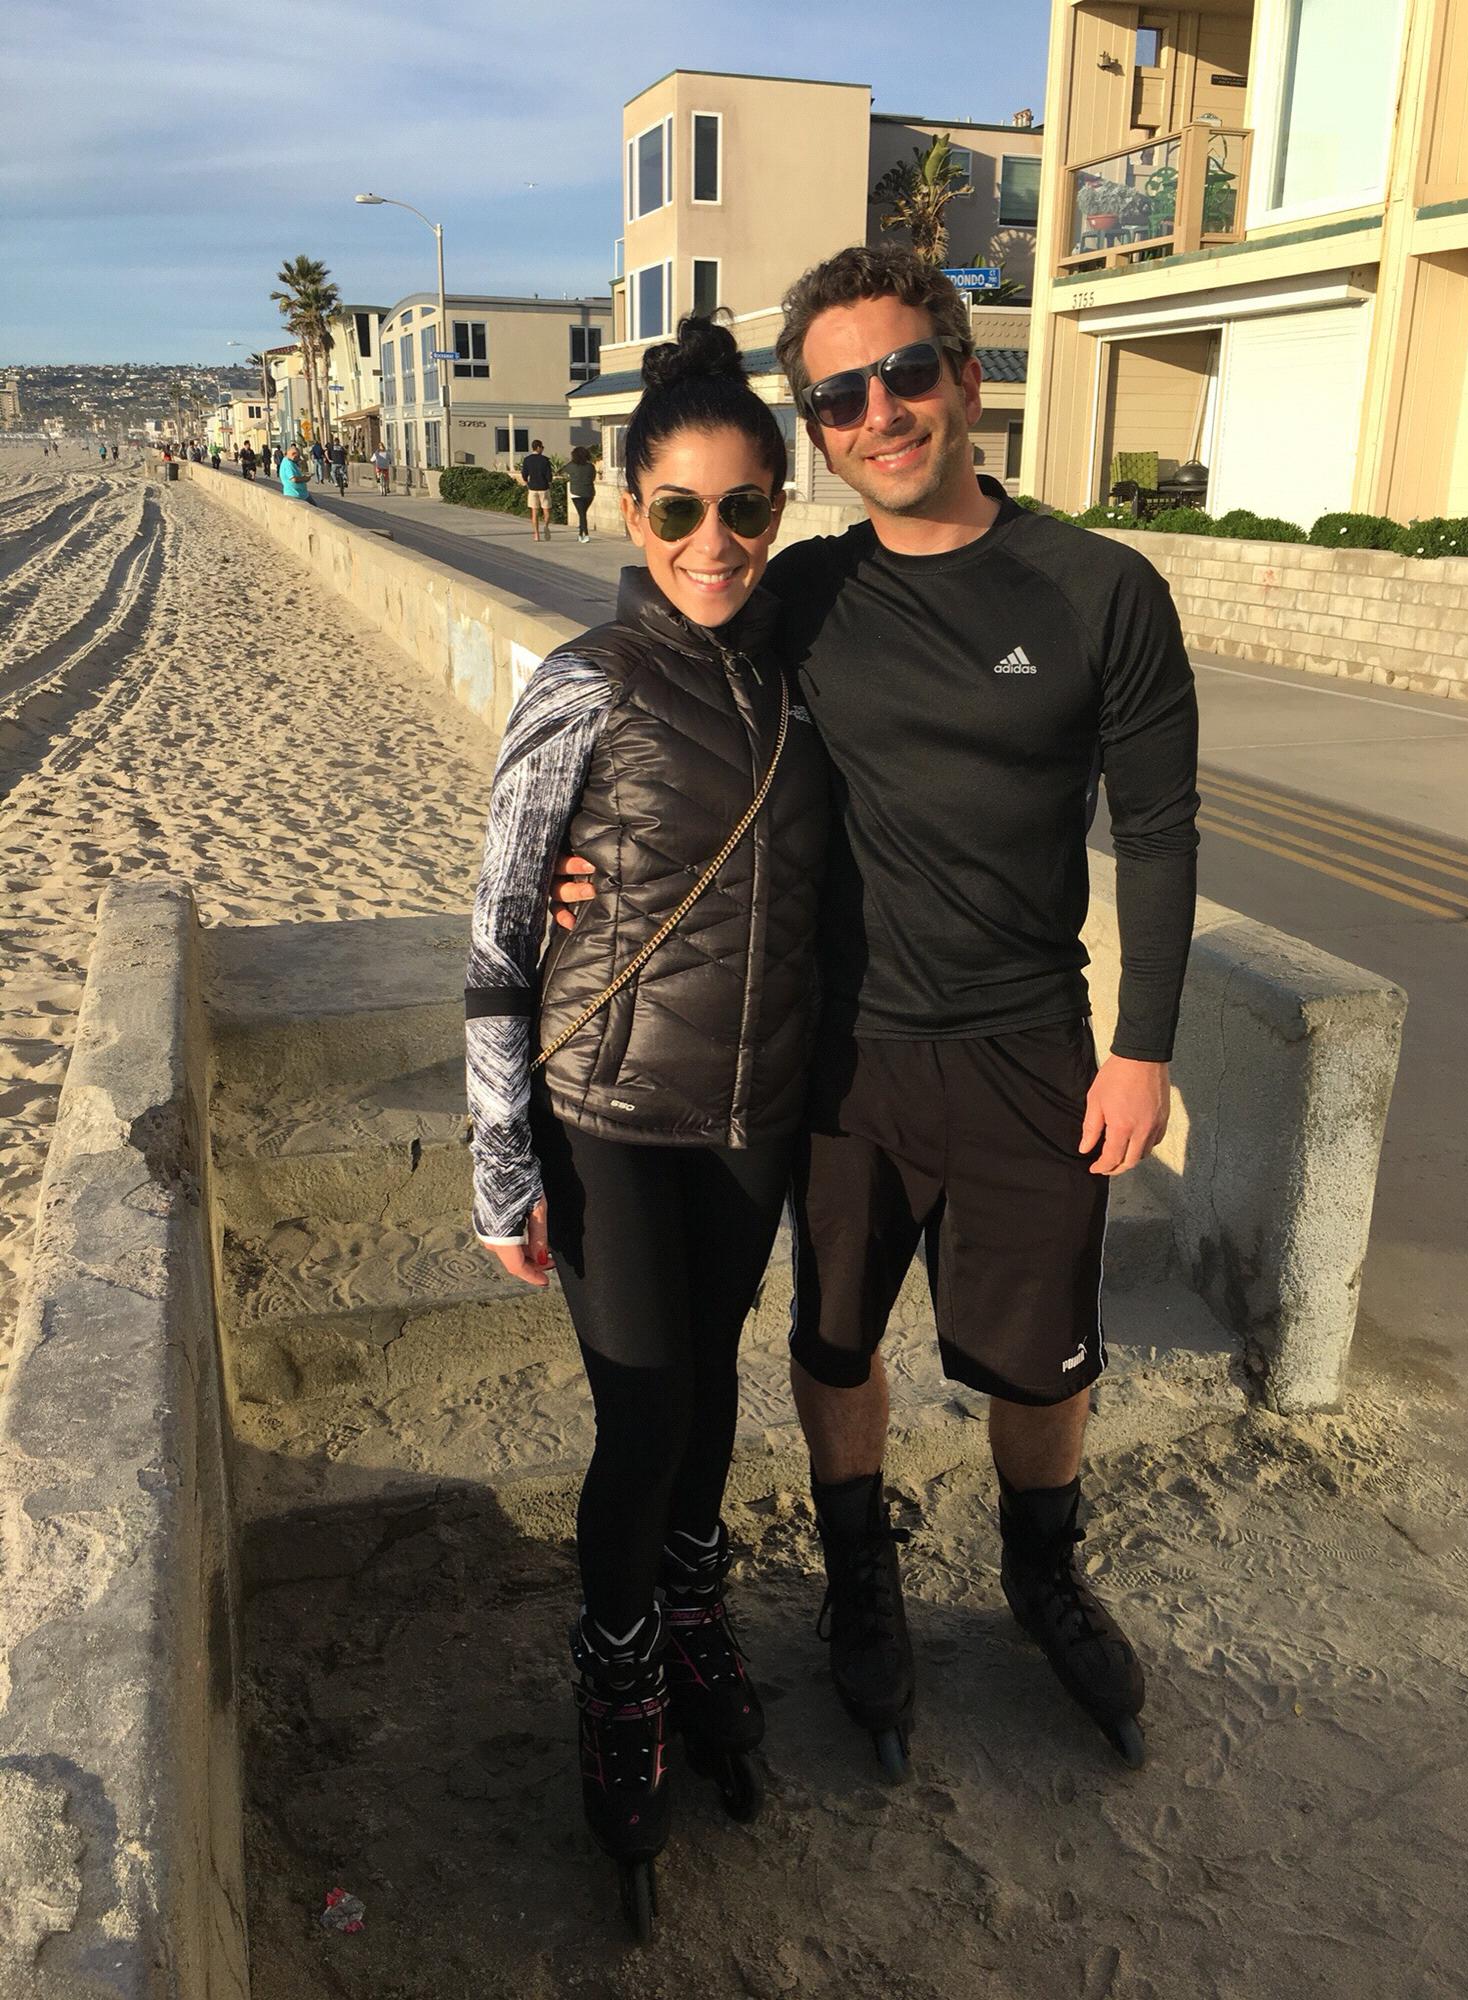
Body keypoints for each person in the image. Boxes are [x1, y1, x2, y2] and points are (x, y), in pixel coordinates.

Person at [552, 246, 1200, 1777]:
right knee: (836, 1343)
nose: (880, 411)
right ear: (820, 432)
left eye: (908, 373)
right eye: (840, 394)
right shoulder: (809, 592)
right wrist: (579, 869)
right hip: (834, 1059)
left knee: (1043, 1361)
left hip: (1034, 1046)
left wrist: (1144, 1048)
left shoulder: (1101, 590)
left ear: (969, 378)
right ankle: (861, 1587)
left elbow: (1160, 830)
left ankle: (1042, 1573)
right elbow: (661, 670)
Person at [464, 317, 826, 1939]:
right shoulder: (584, 685)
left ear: (780, 509)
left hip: (749, 1118)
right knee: (645, 1412)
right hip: (607, 1111)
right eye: (678, 511)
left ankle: (693, 1616)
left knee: (715, 1395)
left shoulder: (797, 686)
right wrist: (499, 1162)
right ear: (628, 512)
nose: (714, 544)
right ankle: (618, 1682)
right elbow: (495, 937)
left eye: (745, 509)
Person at [521, 440, 554, 540]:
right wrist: (549, 483)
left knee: (534, 511)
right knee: (546, 510)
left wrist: (527, 483)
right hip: (544, 487)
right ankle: (546, 526)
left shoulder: (527, 460)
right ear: (539, 447)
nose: (543, 449)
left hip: (533, 488)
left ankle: (536, 534)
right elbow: (549, 475)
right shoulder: (545, 460)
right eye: (542, 447)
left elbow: (524, 474)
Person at [565, 445, 596, 542]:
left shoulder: (571, 466)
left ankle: (586, 534)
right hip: (589, 493)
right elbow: (593, 478)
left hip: (576, 493)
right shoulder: (591, 466)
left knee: (582, 514)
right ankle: (580, 534)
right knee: (582, 513)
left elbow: (563, 470)